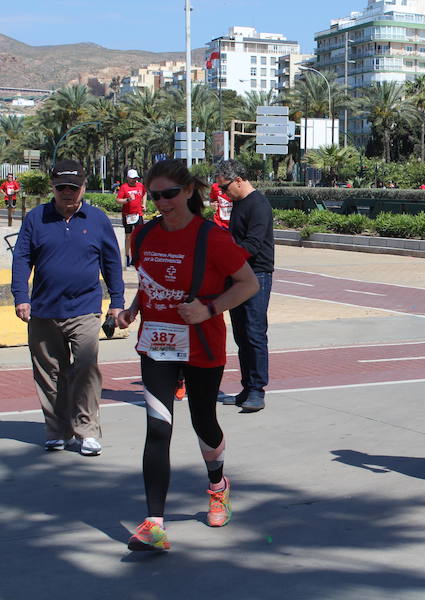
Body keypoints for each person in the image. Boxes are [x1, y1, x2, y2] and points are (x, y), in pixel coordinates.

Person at [116, 159, 259, 552]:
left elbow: (247, 285)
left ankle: (217, 485)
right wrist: (134, 308)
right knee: (158, 428)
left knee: (203, 422)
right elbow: (149, 281)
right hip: (157, 345)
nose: (162, 202)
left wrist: (210, 309)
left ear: (189, 192)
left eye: (169, 194)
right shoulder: (142, 236)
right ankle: (154, 524)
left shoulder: (212, 237)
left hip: (203, 344)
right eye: (155, 195)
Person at [11, 159, 124, 456]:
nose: (67, 193)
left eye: (73, 188)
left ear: (84, 187)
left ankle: (86, 430)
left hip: (85, 309)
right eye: (61, 187)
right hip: (44, 311)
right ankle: (57, 430)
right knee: (50, 373)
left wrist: (117, 302)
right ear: (53, 187)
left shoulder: (97, 219)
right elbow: (22, 258)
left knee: (86, 370)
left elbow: (111, 262)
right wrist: (21, 295)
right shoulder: (36, 218)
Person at [213, 160, 274, 413]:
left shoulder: (258, 204)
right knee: (240, 334)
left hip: (256, 274)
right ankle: (247, 387)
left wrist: (227, 258)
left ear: (239, 179)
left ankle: (257, 391)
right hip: (237, 275)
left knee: (254, 332)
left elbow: (253, 245)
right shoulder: (238, 203)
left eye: (225, 188)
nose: (223, 193)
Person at [116, 169, 146, 268]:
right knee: (128, 236)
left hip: (138, 214)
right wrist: (127, 200)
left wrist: (144, 204)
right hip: (127, 215)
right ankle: (127, 256)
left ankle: (137, 256)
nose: (134, 180)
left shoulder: (140, 186)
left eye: (136, 178)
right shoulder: (124, 187)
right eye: (132, 178)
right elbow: (118, 200)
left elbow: (144, 193)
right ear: (128, 178)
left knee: (139, 235)